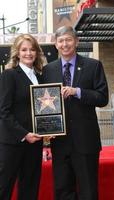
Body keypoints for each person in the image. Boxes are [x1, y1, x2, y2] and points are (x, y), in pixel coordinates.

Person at [43, 26, 108, 200]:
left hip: (86, 142)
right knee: (63, 191)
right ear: (56, 44)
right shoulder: (48, 70)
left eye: (68, 39)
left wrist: (77, 91)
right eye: (61, 40)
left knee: (88, 191)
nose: (65, 44)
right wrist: (45, 132)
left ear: (76, 42)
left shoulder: (93, 65)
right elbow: (43, 104)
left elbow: (102, 98)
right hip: (60, 143)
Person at [0, 34, 46, 200]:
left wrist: (49, 130)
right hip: (13, 142)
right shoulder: (9, 75)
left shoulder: (40, 77)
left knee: (30, 188)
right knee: (4, 187)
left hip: (35, 142)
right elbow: (3, 111)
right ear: (17, 53)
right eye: (24, 49)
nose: (29, 53)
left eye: (32, 49)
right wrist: (24, 134)